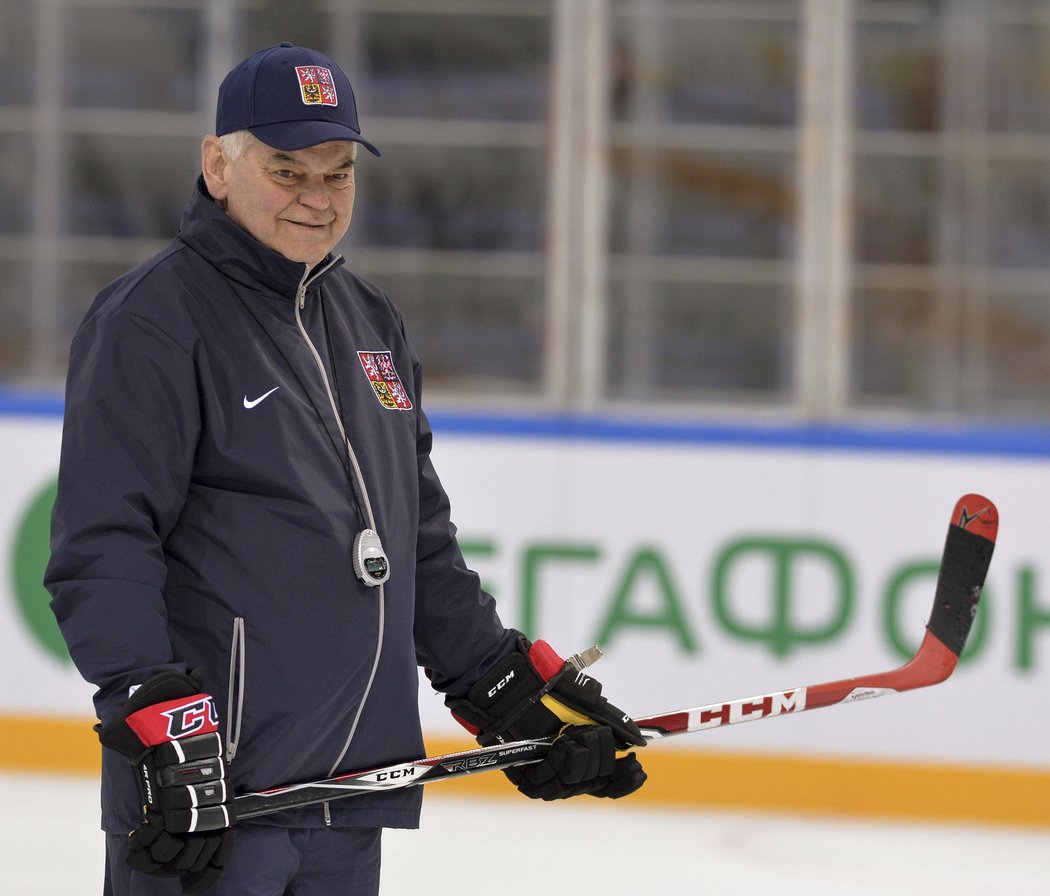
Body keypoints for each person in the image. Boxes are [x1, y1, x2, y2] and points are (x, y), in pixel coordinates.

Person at [44, 42, 646, 896]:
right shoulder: (152, 320)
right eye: (286, 171)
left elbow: (416, 541)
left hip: (350, 797)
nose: (315, 199)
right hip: (218, 803)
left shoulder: (368, 321)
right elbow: (103, 543)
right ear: (217, 164)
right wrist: (158, 721)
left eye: (336, 175)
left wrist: (502, 688)